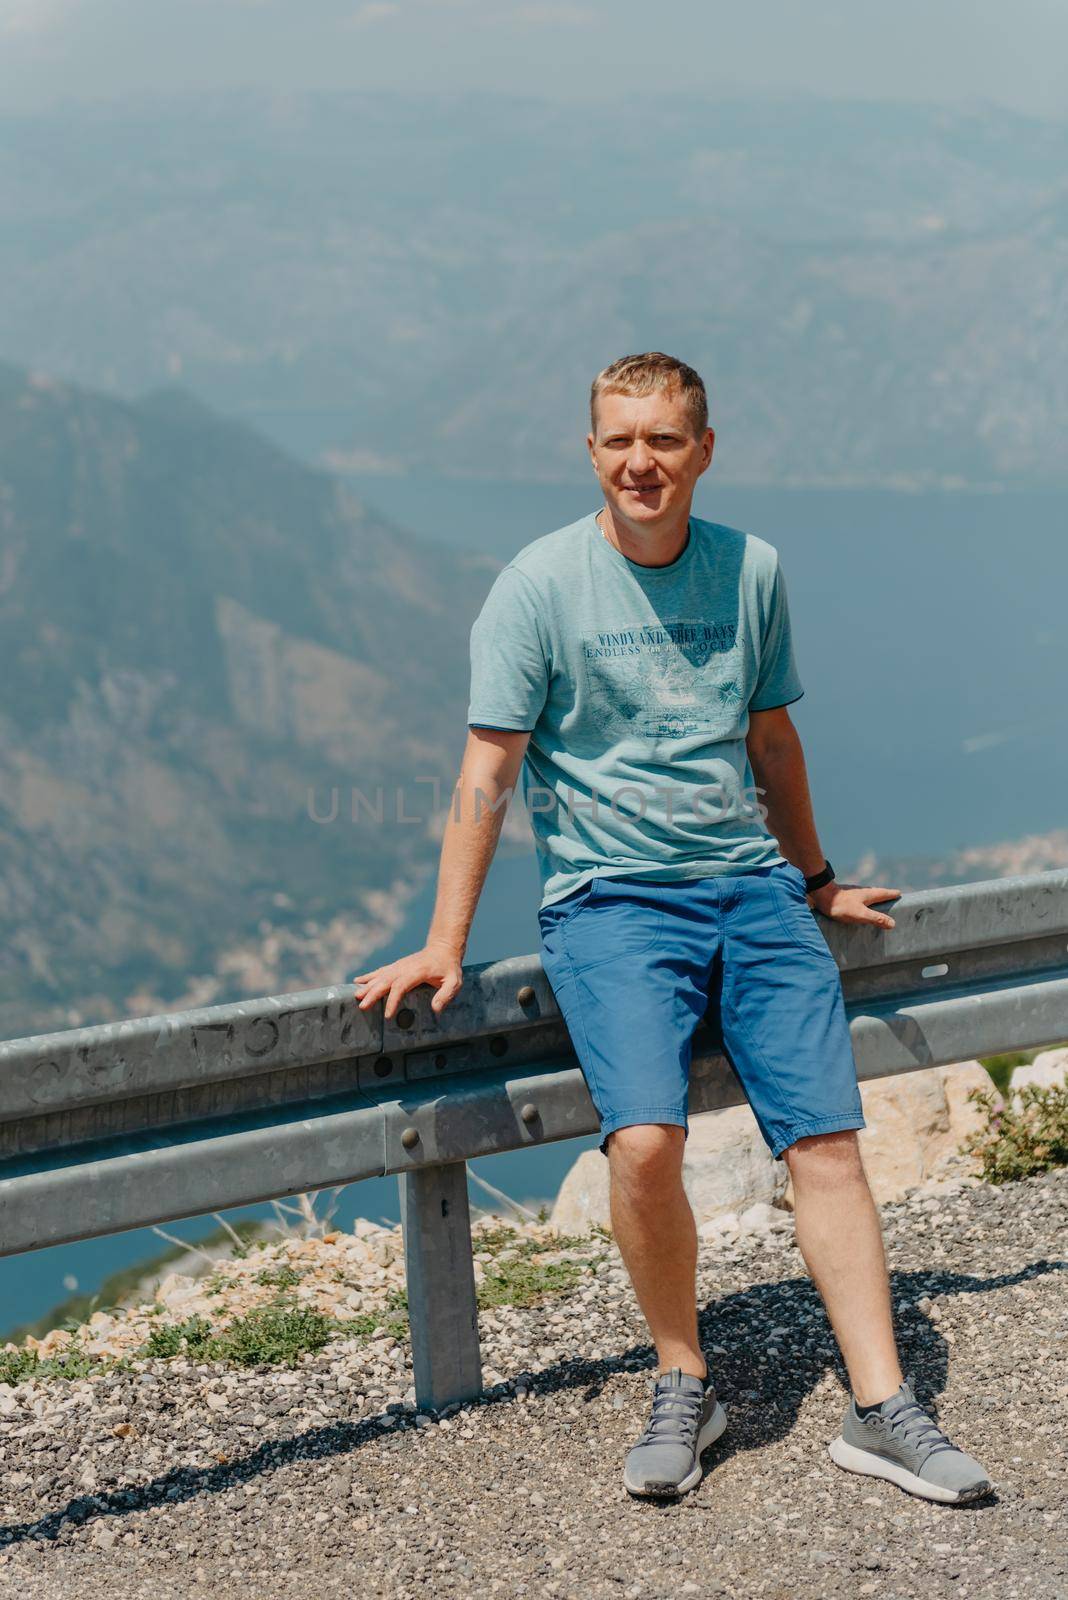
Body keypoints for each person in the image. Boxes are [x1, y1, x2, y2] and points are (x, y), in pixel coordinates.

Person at [353, 352, 991, 1505]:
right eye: (617, 440)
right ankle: (684, 1381)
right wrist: (444, 940)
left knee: (828, 1141)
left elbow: (774, 741)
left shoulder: (751, 570)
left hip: (750, 888)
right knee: (642, 1143)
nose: (639, 462)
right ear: (590, 450)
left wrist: (817, 878)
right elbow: (487, 771)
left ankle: (882, 1406)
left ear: (703, 448)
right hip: (609, 902)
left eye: (662, 439)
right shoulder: (537, 587)